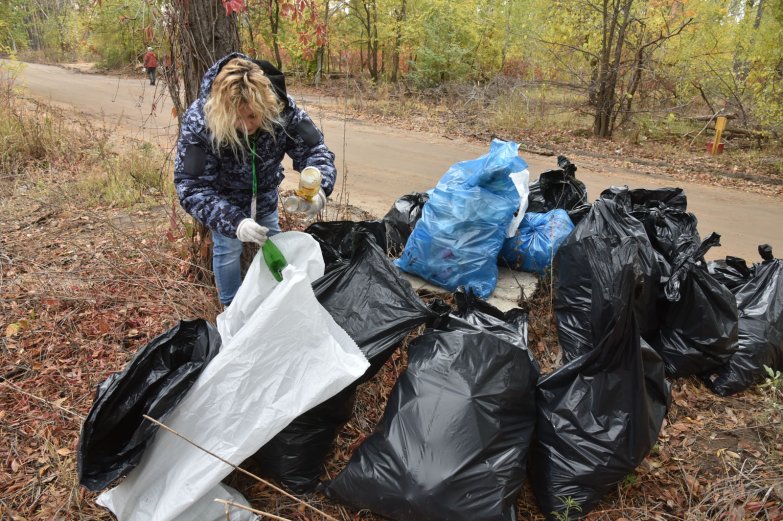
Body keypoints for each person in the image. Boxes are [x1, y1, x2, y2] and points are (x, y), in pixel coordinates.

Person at [174, 53, 336, 306]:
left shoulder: (283, 110)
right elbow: (191, 186)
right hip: (224, 202)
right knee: (228, 249)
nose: (246, 125)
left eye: (252, 116)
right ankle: (231, 308)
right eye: (236, 118)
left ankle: (280, 302)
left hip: (265, 196)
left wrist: (320, 187)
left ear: (266, 105)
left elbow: (315, 150)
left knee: (275, 244)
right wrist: (235, 223)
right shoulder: (200, 121)